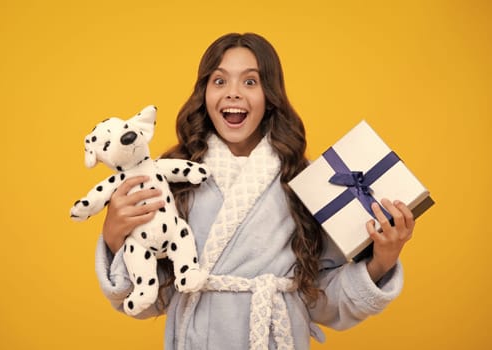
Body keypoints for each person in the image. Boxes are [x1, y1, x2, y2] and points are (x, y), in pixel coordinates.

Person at [95, 32, 415, 349]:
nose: (233, 93)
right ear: (204, 93)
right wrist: (114, 238)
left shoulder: (305, 180)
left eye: (250, 82)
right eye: (219, 81)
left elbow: (323, 303)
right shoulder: (173, 177)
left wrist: (381, 263)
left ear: (270, 96)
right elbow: (150, 298)